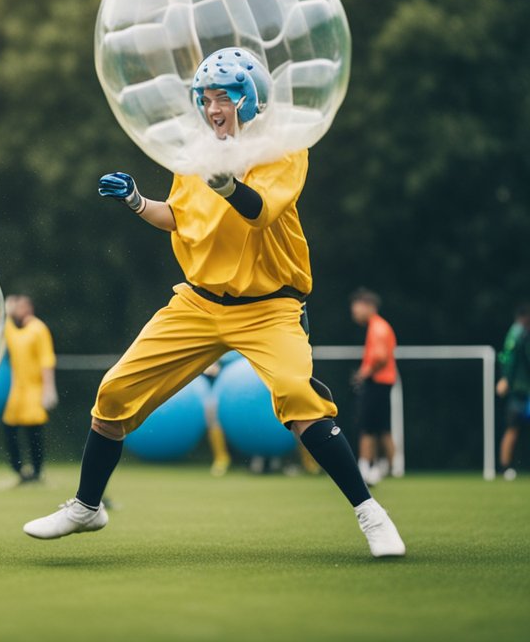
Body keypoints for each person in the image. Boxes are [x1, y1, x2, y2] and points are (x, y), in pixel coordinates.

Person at [22, 48, 406, 557]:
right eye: (204, 97)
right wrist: (138, 201)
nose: (211, 106)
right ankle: (87, 507)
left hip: (270, 308)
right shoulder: (197, 154)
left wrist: (227, 184)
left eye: (222, 96)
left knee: (299, 395)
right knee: (112, 394)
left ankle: (370, 513)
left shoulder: (283, 150)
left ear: (249, 99)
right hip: (199, 305)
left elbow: (260, 212)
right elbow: (179, 218)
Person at [1, 295, 57, 484]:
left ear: (29, 308)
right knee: (9, 429)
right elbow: (7, 329)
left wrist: (49, 389)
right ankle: (20, 471)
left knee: (34, 431)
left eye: (21, 306)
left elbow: (47, 360)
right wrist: (6, 310)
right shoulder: (16, 331)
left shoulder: (37, 329)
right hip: (18, 390)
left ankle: (37, 472)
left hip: (35, 388)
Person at [350, 288, 398, 485]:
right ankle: (391, 467)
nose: (354, 312)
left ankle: (364, 468)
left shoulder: (377, 327)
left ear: (368, 306)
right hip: (384, 383)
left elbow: (379, 356)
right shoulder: (379, 326)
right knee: (382, 428)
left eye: (356, 308)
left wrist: (363, 373)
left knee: (367, 427)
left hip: (377, 383)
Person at [495, 303, 530, 480]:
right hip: (520, 390)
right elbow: (508, 359)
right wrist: (506, 379)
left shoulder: (520, 333)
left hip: (523, 389)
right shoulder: (517, 333)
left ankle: (505, 466)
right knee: (512, 427)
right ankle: (505, 466)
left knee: (513, 428)